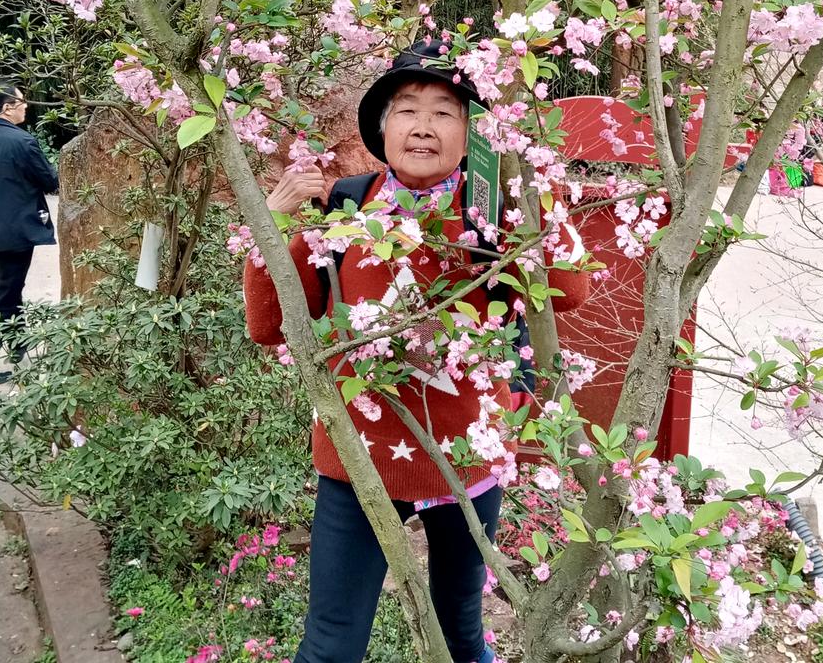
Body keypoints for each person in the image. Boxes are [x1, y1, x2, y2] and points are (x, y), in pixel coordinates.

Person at [244, 40, 590, 663]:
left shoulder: (491, 209)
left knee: (462, 629)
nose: (423, 126)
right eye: (406, 109)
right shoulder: (348, 206)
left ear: (470, 133)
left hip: (469, 461)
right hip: (361, 460)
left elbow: (568, 289)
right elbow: (270, 326)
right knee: (330, 642)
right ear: (382, 129)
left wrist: (538, 195)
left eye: (444, 111)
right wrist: (271, 223)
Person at [0, 84, 59, 385]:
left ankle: (17, 344)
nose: (26, 106)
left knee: (10, 284)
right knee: (7, 293)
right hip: (16, 234)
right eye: (22, 102)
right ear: (7, 107)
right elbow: (49, 180)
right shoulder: (23, 142)